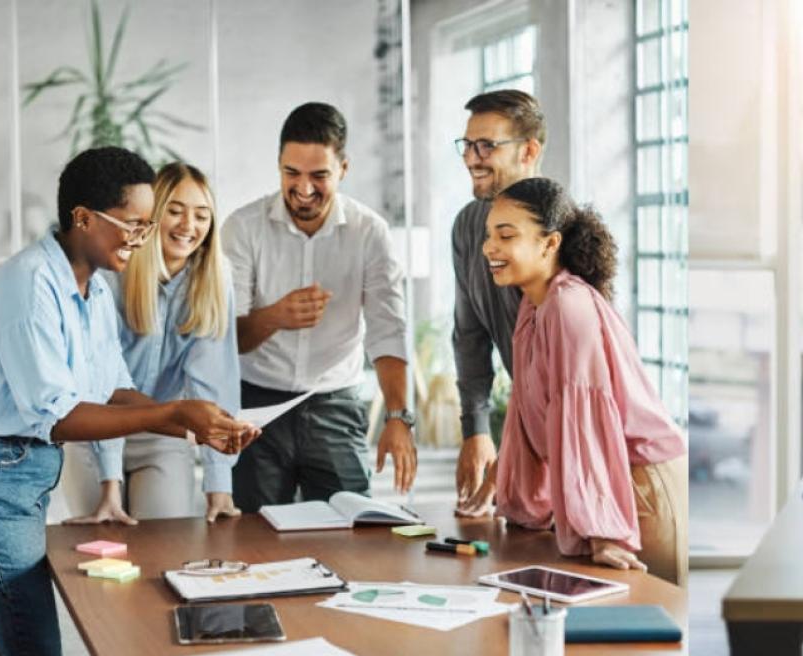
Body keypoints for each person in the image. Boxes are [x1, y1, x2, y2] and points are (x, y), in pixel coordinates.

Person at [0, 146, 257, 656]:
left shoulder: (92, 291)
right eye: (133, 224)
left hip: (15, 470)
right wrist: (170, 414)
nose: (143, 237)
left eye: (147, 225)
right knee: (33, 645)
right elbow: (59, 416)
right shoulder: (28, 286)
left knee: (9, 634)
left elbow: (112, 388)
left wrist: (186, 418)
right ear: (83, 219)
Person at [465, 176, 689, 586]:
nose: (489, 248)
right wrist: (520, 503)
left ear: (550, 244)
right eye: (488, 235)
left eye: (506, 235)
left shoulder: (568, 306)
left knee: (647, 632)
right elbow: (528, 413)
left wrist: (601, 531)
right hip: (609, 486)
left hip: (638, 489)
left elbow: (587, 424)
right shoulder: (534, 307)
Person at [223, 101, 417, 511]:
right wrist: (276, 316)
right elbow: (228, 339)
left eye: (319, 175)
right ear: (278, 164)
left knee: (351, 531)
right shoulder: (243, 228)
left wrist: (398, 417)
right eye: (291, 173)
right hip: (257, 404)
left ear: (343, 169)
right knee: (254, 537)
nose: (304, 188)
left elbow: (388, 330)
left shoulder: (370, 233)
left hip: (335, 403)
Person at [61, 162, 244, 522]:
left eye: (201, 215)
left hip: (163, 435)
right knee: (103, 551)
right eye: (174, 212)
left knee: (165, 546)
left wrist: (219, 486)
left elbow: (214, 385)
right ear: (149, 217)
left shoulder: (214, 279)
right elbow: (102, 386)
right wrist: (109, 483)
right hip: (94, 433)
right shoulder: (113, 272)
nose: (189, 226)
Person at [450, 89, 545, 514]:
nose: (472, 158)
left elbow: (562, 382)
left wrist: (507, 462)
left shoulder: (561, 232)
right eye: (468, 145)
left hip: (575, 438)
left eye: (487, 145)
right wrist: (476, 429)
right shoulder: (469, 225)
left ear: (528, 151)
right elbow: (468, 335)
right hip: (528, 431)